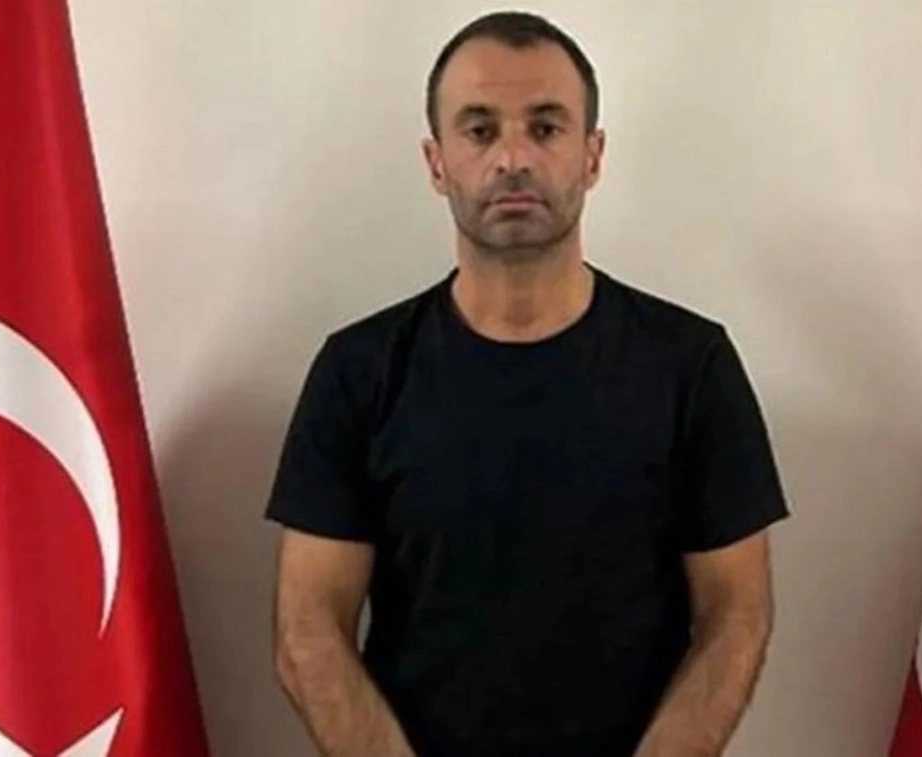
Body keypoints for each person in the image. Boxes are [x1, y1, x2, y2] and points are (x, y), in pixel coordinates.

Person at [266, 10, 789, 756]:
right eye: (479, 130)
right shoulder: (358, 372)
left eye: (545, 128)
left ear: (592, 155)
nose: (512, 157)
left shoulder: (691, 366)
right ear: (436, 162)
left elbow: (738, 615)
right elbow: (308, 627)